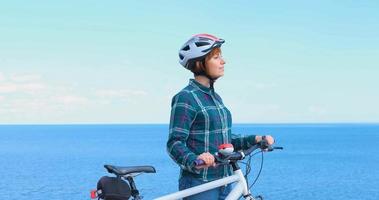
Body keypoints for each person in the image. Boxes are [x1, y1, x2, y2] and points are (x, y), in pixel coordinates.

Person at [166, 33, 275, 200]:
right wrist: (195, 159)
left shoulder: (215, 99)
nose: (223, 62)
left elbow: (224, 140)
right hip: (201, 184)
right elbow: (174, 143)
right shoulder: (186, 97)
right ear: (199, 63)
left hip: (224, 181)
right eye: (216, 57)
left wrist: (256, 139)